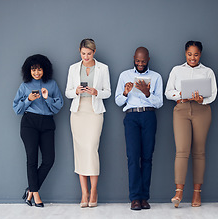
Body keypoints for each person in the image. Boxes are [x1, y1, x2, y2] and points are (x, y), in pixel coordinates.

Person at [165, 41, 217, 208]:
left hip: (202, 110)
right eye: (189, 54)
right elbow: (168, 92)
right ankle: (178, 192)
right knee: (181, 151)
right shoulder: (177, 70)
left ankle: (197, 194)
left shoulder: (208, 71)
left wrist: (202, 99)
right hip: (181, 110)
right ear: (185, 54)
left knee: (199, 152)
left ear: (200, 54)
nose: (192, 57)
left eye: (195, 54)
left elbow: (213, 94)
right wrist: (182, 94)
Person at [115, 47, 163, 210]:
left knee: (147, 157)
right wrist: (126, 92)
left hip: (149, 116)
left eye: (143, 61)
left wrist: (147, 93)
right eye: (137, 61)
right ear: (134, 58)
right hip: (131, 117)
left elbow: (160, 103)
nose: (140, 64)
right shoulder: (124, 75)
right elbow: (118, 101)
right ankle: (135, 198)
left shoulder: (156, 77)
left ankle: (144, 198)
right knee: (133, 157)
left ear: (148, 59)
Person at [13, 54, 64, 208]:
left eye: (39, 69)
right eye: (33, 69)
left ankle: (30, 190)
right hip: (29, 123)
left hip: (47, 123)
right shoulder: (24, 86)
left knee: (49, 160)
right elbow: (16, 109)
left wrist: (47, 98)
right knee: (32, 159)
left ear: (44, 70)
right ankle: (36, 194)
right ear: (29, 71)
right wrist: (28, 99)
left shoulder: (52, 84)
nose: (36, 72)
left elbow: (59, 105)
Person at [65, 38, 111, 208]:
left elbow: (108, 92)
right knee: (80, 151)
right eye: (83, 53)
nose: (86, 56)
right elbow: (68, 92)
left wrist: (96, 91)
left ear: (94, 52)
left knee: (92, 149)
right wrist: (76, 91)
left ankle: (94, 191)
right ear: (80, 52)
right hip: (78, 112)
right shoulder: (73, 68)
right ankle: (84, 192)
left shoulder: (103, 68)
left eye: (89, 54)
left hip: (94, 111)